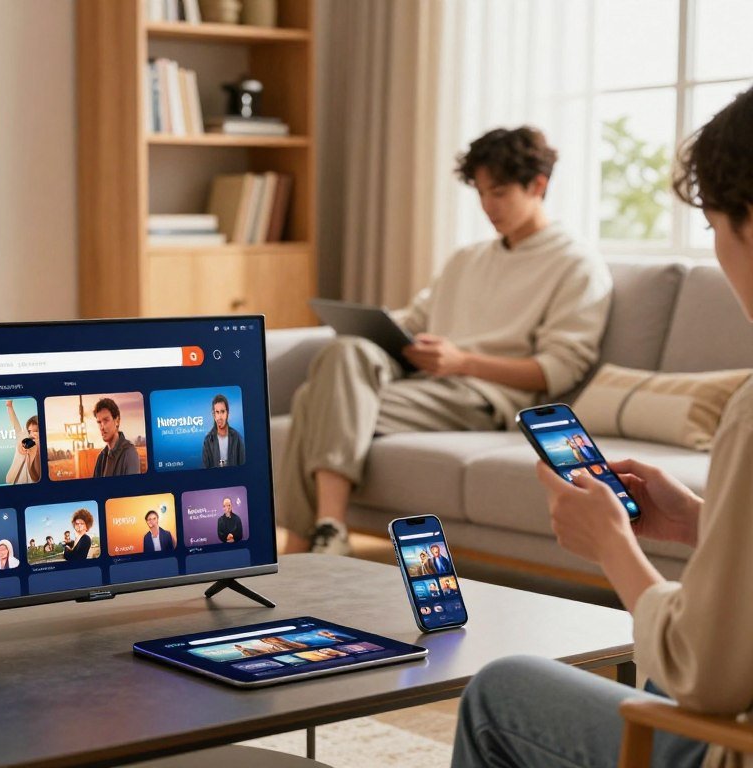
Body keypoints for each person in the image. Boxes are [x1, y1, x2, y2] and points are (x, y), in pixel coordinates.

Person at [450, 86, 753, 768]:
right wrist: (703, 523)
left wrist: (612, 545)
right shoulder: (471, 261)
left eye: (712, 227)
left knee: (500, 691)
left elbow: (703, 672)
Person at [278, 126, 613, 556]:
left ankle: (307, 540)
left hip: (489, 396)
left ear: (538, 185)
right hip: (428, 385)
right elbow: (415, 319)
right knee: (346, 351)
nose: (488, 207)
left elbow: (557, 370)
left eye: (500, 193)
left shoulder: (576, 265)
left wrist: (462, 362)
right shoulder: (468, 258)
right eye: (481, 193)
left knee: (313, 401)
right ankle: (328, 531)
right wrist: (372, 325)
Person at [92, 398, 141, 477]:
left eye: (105, 420)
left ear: (117, 421)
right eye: (99, 422)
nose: (102, 427)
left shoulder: (129, 452)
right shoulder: (101, 457)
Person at [202, 394, 245, 468]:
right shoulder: (208, 441)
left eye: (222, 412)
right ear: (214, 415)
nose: (220, 417)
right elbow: (206, 470)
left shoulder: (237, 438)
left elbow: (243, 466)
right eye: (217, 412)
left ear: (227, 413)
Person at [5, 400, 41, 484]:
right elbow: (15, 424)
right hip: (14, 481)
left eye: (36, 431)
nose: (32, 434)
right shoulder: (24, 439)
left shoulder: (40, 446)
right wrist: (10, 407)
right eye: (30, 431)